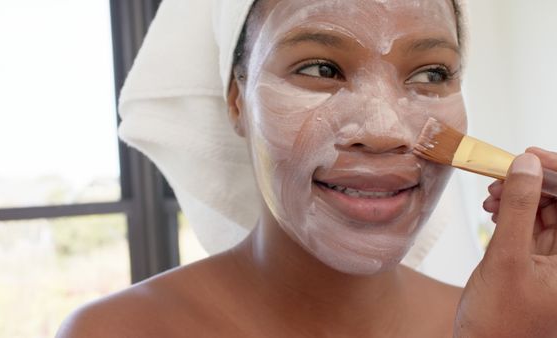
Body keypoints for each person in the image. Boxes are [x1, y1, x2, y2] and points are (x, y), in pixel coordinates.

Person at [57, 0, 557, 337]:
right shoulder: (117, 331)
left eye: (431, 74)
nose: (384, 129)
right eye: (321, 69)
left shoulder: (509, 322)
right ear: (236, 101)